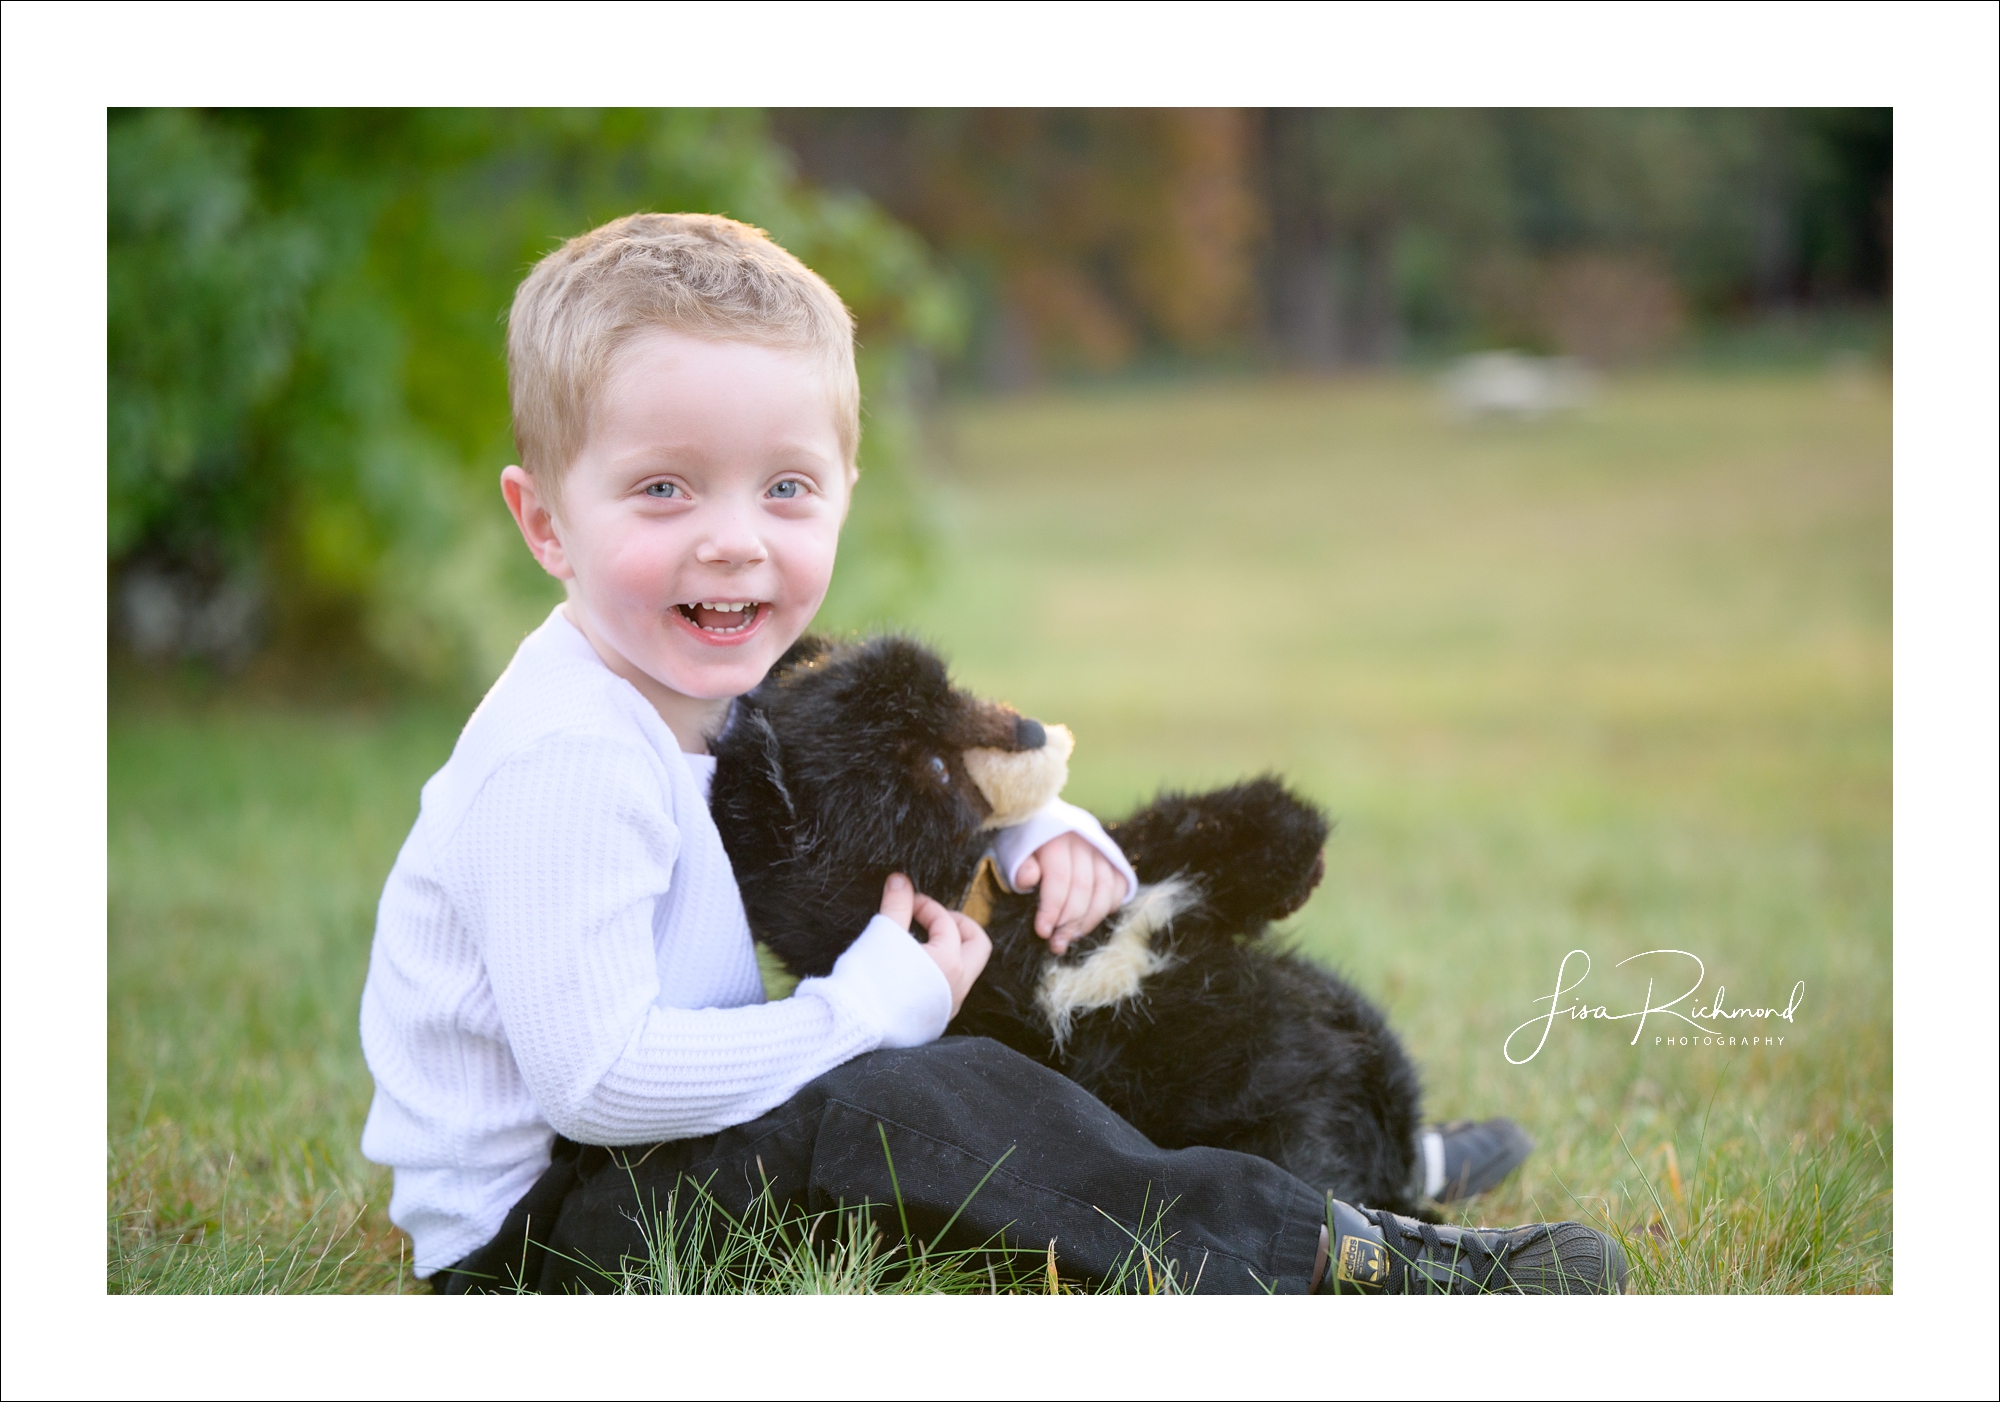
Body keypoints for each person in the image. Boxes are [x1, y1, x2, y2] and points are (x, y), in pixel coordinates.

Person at [358, 212, 1624, 1295]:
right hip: (541, 1245)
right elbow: (598, 1080)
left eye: (784, 488)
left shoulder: (699, 666)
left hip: (666, 1154)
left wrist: (1033, 827)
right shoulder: (563, 756)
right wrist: (851, 1015)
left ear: (847, 486)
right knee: (908, 1102)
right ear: (544, 522)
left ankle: (1339, 1186)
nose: (734, 541)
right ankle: (1339, 1262)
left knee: (962, 1095)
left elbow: (889, 752)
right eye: (663, 490)